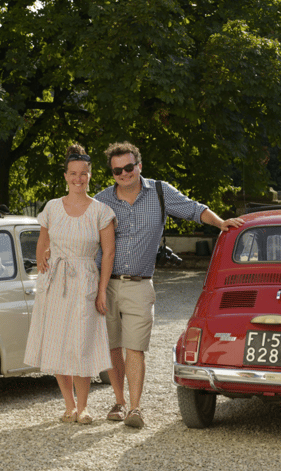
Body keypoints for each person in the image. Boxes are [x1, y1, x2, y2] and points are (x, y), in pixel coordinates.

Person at [94, 141, 244, 428]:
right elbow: (82, 233)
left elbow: (193, 209)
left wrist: (220, 222)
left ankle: (135, 409)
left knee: (134, 347)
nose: (123, 174)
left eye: (128, 167)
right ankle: (118, 401)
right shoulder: (102, 200)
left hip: (140, 284)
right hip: (105, 283)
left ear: (139, 165)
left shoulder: (160, 192)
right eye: (117, 170)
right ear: (111, 173)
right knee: (112, 347)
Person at [24, 143, 116, 424]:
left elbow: (108, 252)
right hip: (55, 281)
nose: (78, 178)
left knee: (81, 344)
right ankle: (68, 405)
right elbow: (43, 240)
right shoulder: (52, 207)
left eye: (83, 173)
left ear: (90, 175)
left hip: (85, 280)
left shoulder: (101, 210)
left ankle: (85, 406)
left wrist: (101, 292)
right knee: (56, 344)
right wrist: (43, 260)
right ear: (65, 176)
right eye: (73, 173)